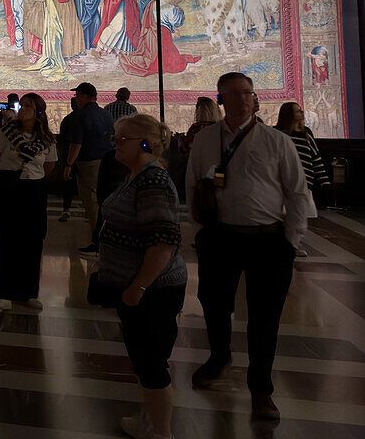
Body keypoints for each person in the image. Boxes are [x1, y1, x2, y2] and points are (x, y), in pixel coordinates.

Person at [185, 72, 311, 421]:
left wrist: (291, 241)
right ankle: (218, 356)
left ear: (255, 99)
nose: (244, 99)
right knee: (213, 304)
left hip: (268, 240)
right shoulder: (206, 140)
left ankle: (261, 389)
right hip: (220, 237)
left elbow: (298, 193)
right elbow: (192, 185)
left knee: (264, 316)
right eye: (235, 94)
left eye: (248, 93)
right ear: (220, 99)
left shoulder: (277, 141)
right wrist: (200, 230)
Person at [99, 114, 187, 439]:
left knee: (151, 362)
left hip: (154, 289)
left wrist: (139, 285)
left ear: (146, 144)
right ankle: (147, 420)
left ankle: (161, 432)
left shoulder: (152, 180)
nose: (115, 145)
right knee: (143, 358)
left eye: (122, 140)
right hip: (138, 286)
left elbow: (163, 241)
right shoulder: (137, 175)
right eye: (115, 138)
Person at [0, 93, 57, 310]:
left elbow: (49, 164)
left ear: (38, 112)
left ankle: (28, 292)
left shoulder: (46, 138)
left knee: (32, 242)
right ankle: (5, 293)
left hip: (33, 191)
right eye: (22, 105)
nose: (22, 109)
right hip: (8, 189)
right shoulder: (6, 132)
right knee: (6, 240)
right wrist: (5, 177)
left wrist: (32, 177)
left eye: (28, 106)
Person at [66, 82, 115, 255]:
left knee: (92, 204)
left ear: (86, 96)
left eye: (78, 94)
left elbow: (76, 144)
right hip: (106, 161)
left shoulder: (81, 115)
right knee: (103, 202)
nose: (76, 98)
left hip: (88, 164)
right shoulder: (106, 114)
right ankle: (106, 239)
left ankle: (97, 243)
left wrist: (68, 165)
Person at [275, 101, 330, 207]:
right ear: (289, 114)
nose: (302, 113)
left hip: (305, 182)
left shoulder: (306, 133)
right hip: (284, 182)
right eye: (298, 111)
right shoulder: (279, 133)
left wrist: (325, 182)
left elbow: (315, 158)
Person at [57, 97, 79, 222]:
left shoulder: (68, 119)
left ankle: (66, 209)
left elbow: (61, 139)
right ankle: (89, 212)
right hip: (85, 157)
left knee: (68, 184)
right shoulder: (84, 118)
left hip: (69, 156)